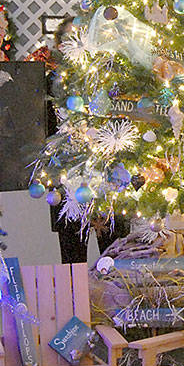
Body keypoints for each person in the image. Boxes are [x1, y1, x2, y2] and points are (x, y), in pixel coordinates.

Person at [42, 16, 128, 263]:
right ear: (59, 46)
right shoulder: (49, 84)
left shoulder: (110, 81)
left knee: (115, 259)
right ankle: (74, 301)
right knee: (72, 262)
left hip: (110, 182)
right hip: (66, 184)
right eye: (72, 38)